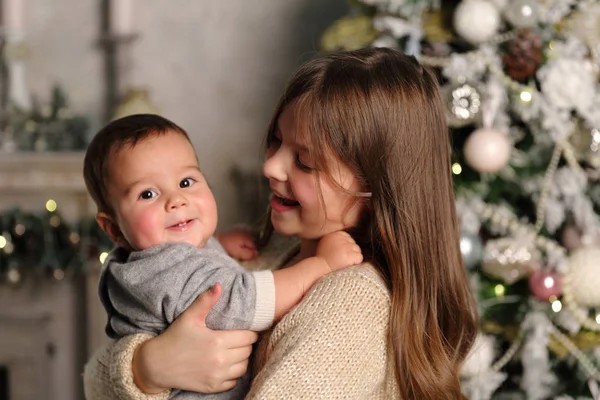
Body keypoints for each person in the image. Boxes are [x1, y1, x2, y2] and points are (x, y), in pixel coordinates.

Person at [84, 47, 478, 400]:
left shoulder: (352, 303)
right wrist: (146, 369)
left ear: (379, 186)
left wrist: (146, 373)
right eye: (275, 141)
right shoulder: (271, 252)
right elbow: (93, 377)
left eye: (305, 161)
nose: (270, 166)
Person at [82, 114, 363, 399]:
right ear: (114, 229)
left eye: (186, 181)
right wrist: (321, 265)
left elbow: (190, 272)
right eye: (148, 193)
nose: (176, 200)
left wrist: (216, 243)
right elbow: (240, 301)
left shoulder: (145, 263)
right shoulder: (162, 268)